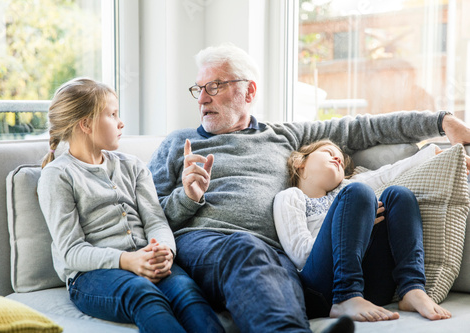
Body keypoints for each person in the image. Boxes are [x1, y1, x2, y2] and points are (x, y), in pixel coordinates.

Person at [147, 43, 470, 333]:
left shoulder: (284, 136)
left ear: (249, 91)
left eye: (215, 86)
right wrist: (187, 197)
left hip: (275, 255)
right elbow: (146, 216)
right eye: (199, 88)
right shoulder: (180, 143)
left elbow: (363, 127)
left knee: (272, 266)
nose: (203, 98)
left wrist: (443, 122)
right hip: (205, 243)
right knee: (246, 247)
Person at [37, 78, 224, 333]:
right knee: (142, 294)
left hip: (147, 259)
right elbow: (72, 251)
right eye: (113, 114)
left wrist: (165, 250)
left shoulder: (132, 166)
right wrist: (127, 260)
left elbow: (156, 221)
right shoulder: (58, 175)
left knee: (188, 294)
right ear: (86, 124)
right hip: (91, 276)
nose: (121, 122)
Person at [273, 139, 453, 322]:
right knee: (358, 193)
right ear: (299, 162)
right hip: (323, 290)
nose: (337, 158)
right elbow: (300, 254)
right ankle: (346, 295)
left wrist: (432, 153)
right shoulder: (291, 196)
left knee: (399, 194)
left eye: (341, 162)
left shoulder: (345, 188)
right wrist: (345, 226)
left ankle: (412, 288)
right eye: (328, 152)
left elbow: (387, 174)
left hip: (371, 286)